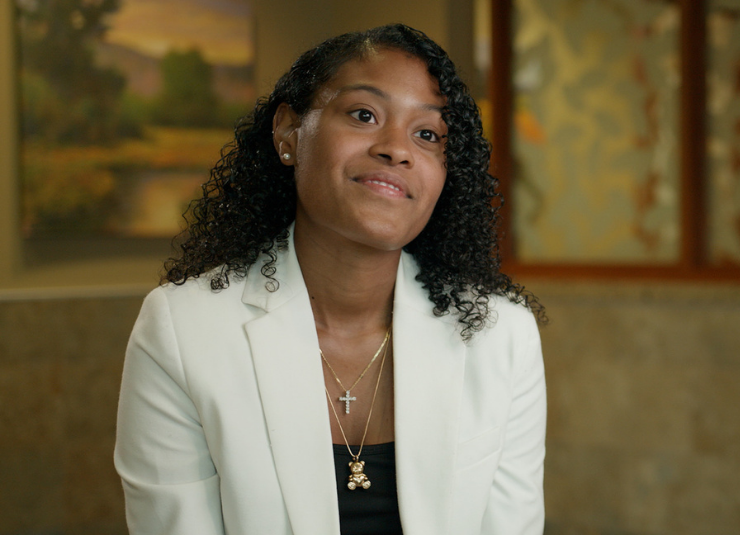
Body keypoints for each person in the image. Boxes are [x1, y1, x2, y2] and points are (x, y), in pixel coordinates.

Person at [115, 23, 546, 535]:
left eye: (427, 134)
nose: (396, 149)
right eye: (364, 115)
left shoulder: (502, 336)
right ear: (288, 133)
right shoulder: (182, 330)